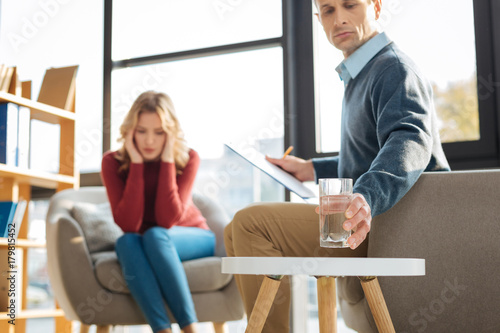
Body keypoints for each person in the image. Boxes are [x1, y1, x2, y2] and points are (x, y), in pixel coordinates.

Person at [224, 0, 451, 332]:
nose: (339, 19)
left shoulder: (393, 68)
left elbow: (410, 139)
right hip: (370, 222)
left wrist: (366, 197)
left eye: (350, 5)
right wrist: (311, 169)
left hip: (393, 226)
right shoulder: (362, 73)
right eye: (328, 10)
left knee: (249, 223)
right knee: (234, 230)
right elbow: (369, 155)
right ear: (318, 18)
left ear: (375, 6)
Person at [101, 91, 214, 333]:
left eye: (159, 132)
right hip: (146, 240)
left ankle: (191, 329)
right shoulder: (113, 162)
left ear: (170, 133)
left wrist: (166, 161)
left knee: (154, 234)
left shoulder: (188, 158)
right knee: (126, 242)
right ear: (131, 130)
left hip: (193, 236)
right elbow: (129, 225)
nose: (149, 141)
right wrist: (137, 165)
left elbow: (166, 219)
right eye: (141, 131)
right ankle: (162, 330)